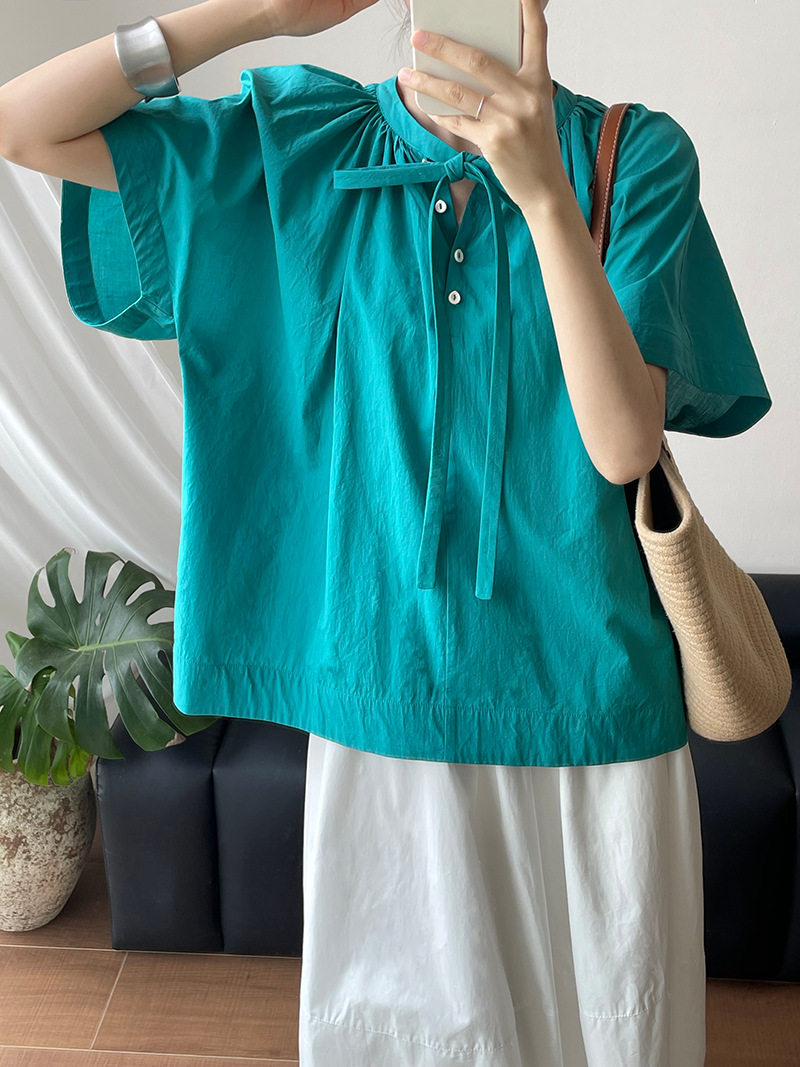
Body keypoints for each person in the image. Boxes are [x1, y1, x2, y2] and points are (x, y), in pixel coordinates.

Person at [0, 0, 773, 1063]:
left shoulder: (629, 156)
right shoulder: (296, 145)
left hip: (589, 717)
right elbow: (23, 124)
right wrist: (257, 13)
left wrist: (543, 194)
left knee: (607, 1037)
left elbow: (621, 445)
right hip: (380, 714)